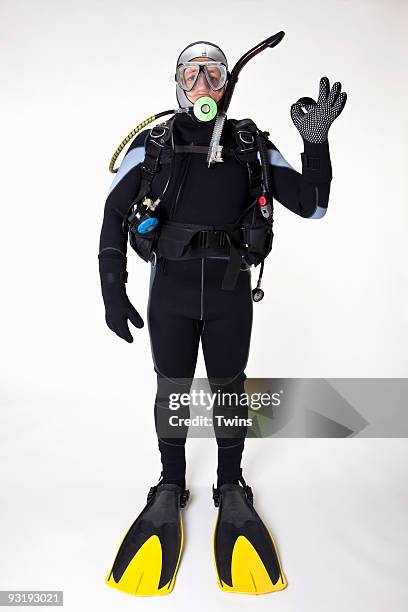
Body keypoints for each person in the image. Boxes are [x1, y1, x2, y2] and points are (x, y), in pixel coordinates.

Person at [99, 40, 347, 596]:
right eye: (193, 72)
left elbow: (313, 204)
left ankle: (230, 483)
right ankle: (169, 484)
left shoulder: (251, 145)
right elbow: (113, 218)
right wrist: (112, 290)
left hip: (232, 293)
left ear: (227, 83)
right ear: (178, 84)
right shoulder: (153, 147)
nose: (204, 83)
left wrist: (317, 144)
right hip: (172, 294)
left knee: (229, 389)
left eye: (214, 72)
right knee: (174, 389)